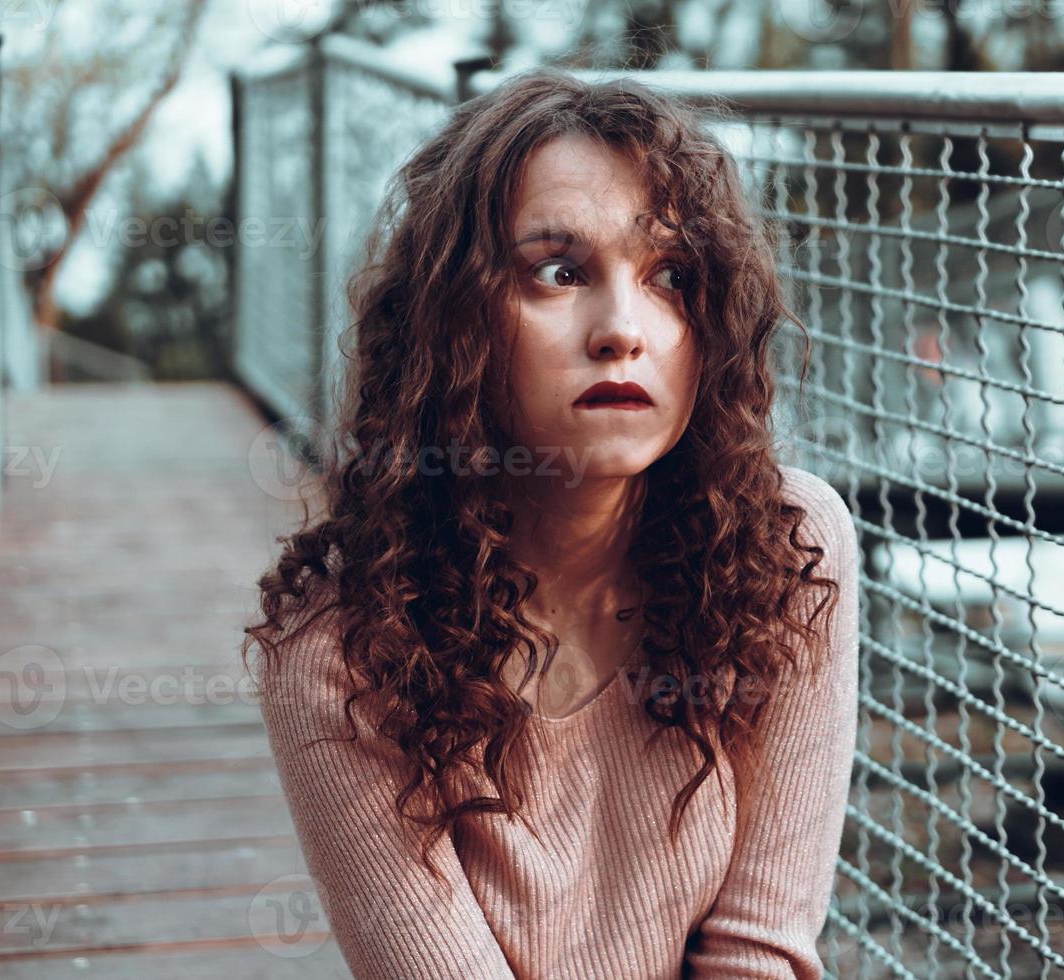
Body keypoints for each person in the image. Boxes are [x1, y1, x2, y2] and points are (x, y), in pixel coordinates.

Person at [240, 65, 860, 980]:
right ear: (454, 324)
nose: (622, 328)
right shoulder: (340, 647)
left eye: (671, 275)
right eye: (558, 273)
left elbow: (758, 954)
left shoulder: (790, 552)